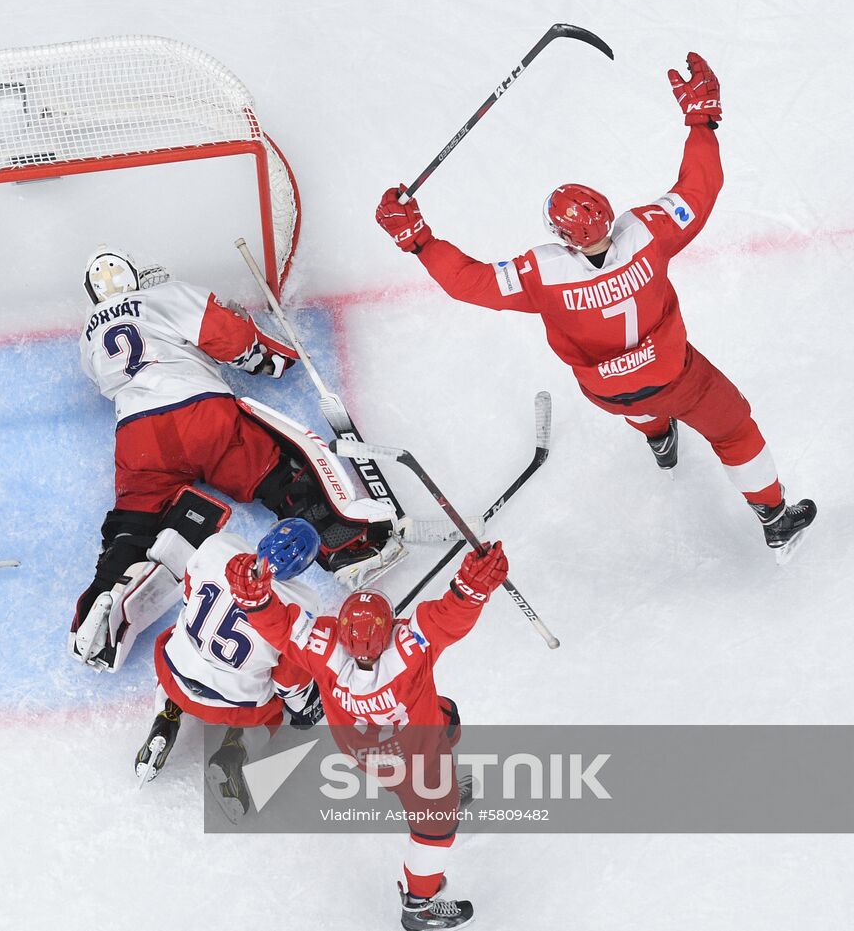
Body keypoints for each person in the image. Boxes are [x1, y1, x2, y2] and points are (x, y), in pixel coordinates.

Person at [375, 52, 815, 560]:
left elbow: (467, 282)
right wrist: (701, 120)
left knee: (635, 397)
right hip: (679, 376)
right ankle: (775, 518)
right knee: (736, 430)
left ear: (560, 236)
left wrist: (418, 240)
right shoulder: (649, 231)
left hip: (607, 393)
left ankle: (658, 440)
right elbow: (701, 187)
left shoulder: (542, 274)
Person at [71, 246, 407, 671]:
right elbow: (230, 336)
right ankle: (353, 548)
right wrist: (273, 359)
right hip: (199, 413)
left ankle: (98, 610)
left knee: (131, 522)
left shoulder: (89, 336)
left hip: (137, 434)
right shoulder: (165, 295)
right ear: (135, 277)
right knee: (280, 475)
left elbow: (103, 375)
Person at [227, 542, 511, 930]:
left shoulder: (322, 647)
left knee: (446, 716)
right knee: (436, 822)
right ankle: (419, 905)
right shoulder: (409, 649)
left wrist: (255, 602)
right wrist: (472, 588)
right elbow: (449, 616)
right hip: (416, 761)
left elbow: (282, 628)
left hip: (361, 750)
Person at [133, 518, 323, 820]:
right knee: (275, 711)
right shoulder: (303, 604)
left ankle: (166, 717)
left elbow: (189, 593)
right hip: (232, 705)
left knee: (177, 638)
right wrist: (306, 708)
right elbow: (290, 681)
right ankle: (234, 751)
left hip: (176, 672)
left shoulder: (220, 546)